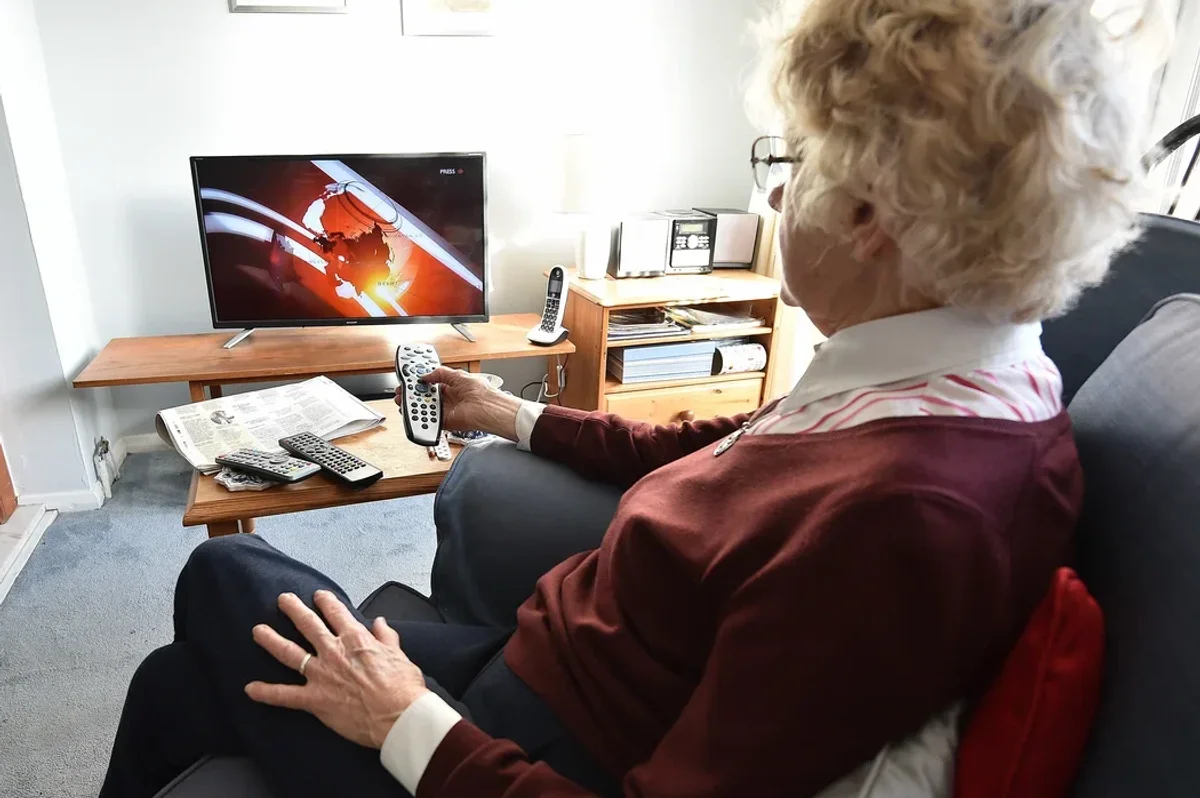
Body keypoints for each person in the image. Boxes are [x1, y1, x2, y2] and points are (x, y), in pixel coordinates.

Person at [100, 0, 1156, 796]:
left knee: (224, 567)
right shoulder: (948, 382)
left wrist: (404, 721)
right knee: (171, 686)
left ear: (876, 210)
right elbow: (723, 447)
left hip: (521, 745)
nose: (778, 193)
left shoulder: (913, 520)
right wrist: (510, 413)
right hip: (533, 666)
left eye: (793, 161)